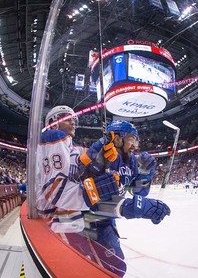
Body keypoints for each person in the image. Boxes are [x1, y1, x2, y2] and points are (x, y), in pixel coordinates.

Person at [36, 106, 170, 276]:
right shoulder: (63, 142)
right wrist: (127, 205)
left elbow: (135, 193)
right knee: (89, 271)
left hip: (99, 218)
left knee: (117, 268)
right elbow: (63, 192)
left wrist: (145, 178)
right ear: (117, 138)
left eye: (74, 118)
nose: (73, 121)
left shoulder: (124, 160)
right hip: (74, 219)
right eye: (66, 117)